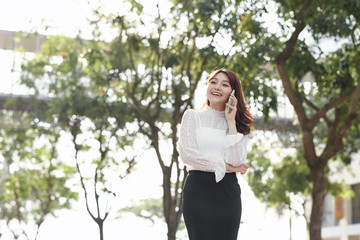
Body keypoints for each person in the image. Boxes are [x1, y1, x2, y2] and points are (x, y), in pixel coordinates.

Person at [178, 68, 252, 240]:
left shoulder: (240, 124)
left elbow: (237, 160)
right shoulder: (192, 117)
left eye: (224, 84)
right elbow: (187, 156)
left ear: (233, 92)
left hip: (227, 193)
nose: (217, 87)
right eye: (213, 82)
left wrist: (231, 121)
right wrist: (226, 166)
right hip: (197, 191)